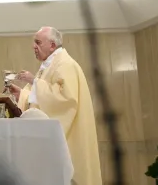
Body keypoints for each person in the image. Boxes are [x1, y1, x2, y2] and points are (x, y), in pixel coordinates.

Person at [8, 27, 102, 185]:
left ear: (52, 45)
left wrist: (33, 81)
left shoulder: (65, 64)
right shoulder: (49, 65)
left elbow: (66, 100)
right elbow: (40, 98)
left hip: (68, 137)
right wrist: (22, 95)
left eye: (38, 42)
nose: (33, 46)